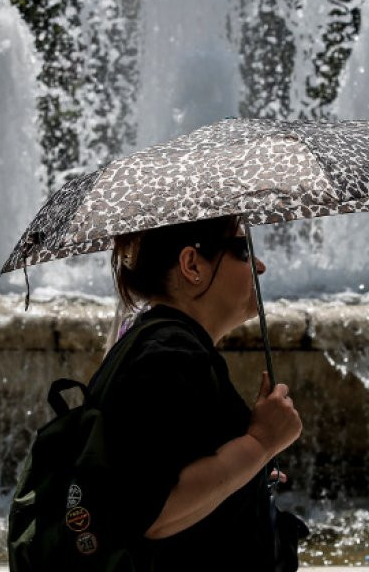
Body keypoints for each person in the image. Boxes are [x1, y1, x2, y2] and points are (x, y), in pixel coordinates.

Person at [72, 215, 304, 571]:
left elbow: (184, 463)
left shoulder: (164, 344)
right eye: (243, 250)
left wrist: (250, 471)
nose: (260, 265)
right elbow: (155, 512)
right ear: (191, 264)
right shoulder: (168, 355)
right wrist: (261, 443)